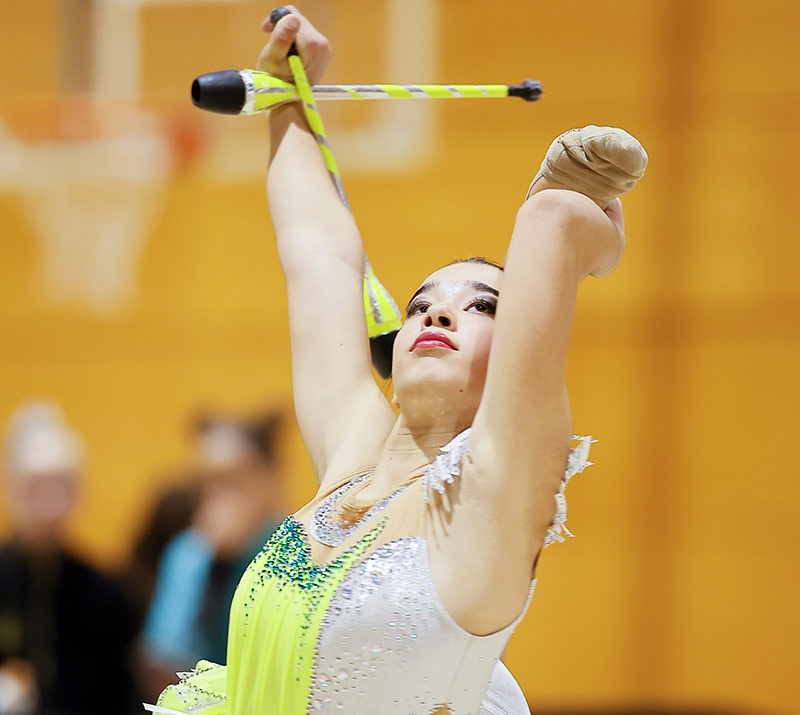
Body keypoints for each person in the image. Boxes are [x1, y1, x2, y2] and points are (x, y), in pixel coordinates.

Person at [148, 7, 647, 714]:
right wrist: (287, 97)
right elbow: (317, 255)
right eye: (420, 304)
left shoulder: (495, 495)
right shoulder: (350, 460)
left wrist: (590, 230)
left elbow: (551, 221)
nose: (438, 313)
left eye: (484, 307)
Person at [0, 402, 140, 715]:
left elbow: (121, 696)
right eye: (34, 488)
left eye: (63, 487)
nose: (50, 505)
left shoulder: (105, 593)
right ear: (9, 487)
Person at [138, 410, 284, 694]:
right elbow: (162, 664)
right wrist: (215, 567)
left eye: (232, 479)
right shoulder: (187, 553)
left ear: (270, 477)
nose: (219, 494)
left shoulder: (297, 551)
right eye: (206, 481)